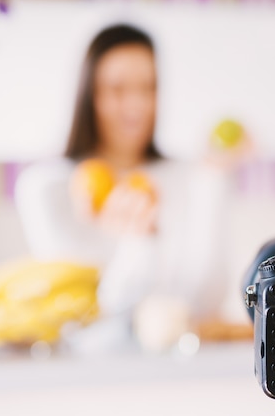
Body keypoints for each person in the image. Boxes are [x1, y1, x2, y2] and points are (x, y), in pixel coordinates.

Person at [16, 24, 244, 352]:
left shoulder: (187, 177)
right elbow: (87, 322)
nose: (136, 105)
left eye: (147, 87)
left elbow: (204, 303)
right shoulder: (48, 187)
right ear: (89, 94)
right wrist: (139, 242)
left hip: (181, 375)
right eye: (118, 89)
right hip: (88, 379)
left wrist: (215, 182)